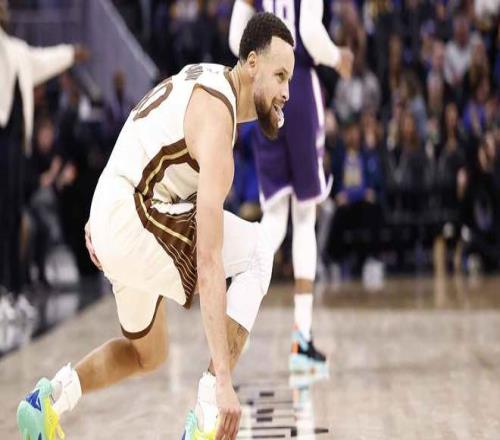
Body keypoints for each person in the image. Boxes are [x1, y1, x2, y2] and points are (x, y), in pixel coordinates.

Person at [17, 12, 294, 440]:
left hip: (115, 213)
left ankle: (48, 401)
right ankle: (207, 416)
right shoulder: (217, 121)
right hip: (132, 218)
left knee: (147, 353)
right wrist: (223, 381)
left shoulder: (201, 76)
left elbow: (139, 128)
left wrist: (100, 216)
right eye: (280, 76)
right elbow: (209, 260)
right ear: (252, 64)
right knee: (257, 250)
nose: (286, 92)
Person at [229, 0, 353, 372]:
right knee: (303, 216)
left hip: (262, 87)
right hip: (297, 88)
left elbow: (236, 38)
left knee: (274, 217)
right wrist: (337, 57)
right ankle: (301, 338)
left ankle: (236, 303)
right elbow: (310, 32)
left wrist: (260, 71)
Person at [0, 0, 89, 321]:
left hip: (13, 143)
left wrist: (70, 54)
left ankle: (13, 291)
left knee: (12, 218)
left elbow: (43, 60)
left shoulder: (16, 50)